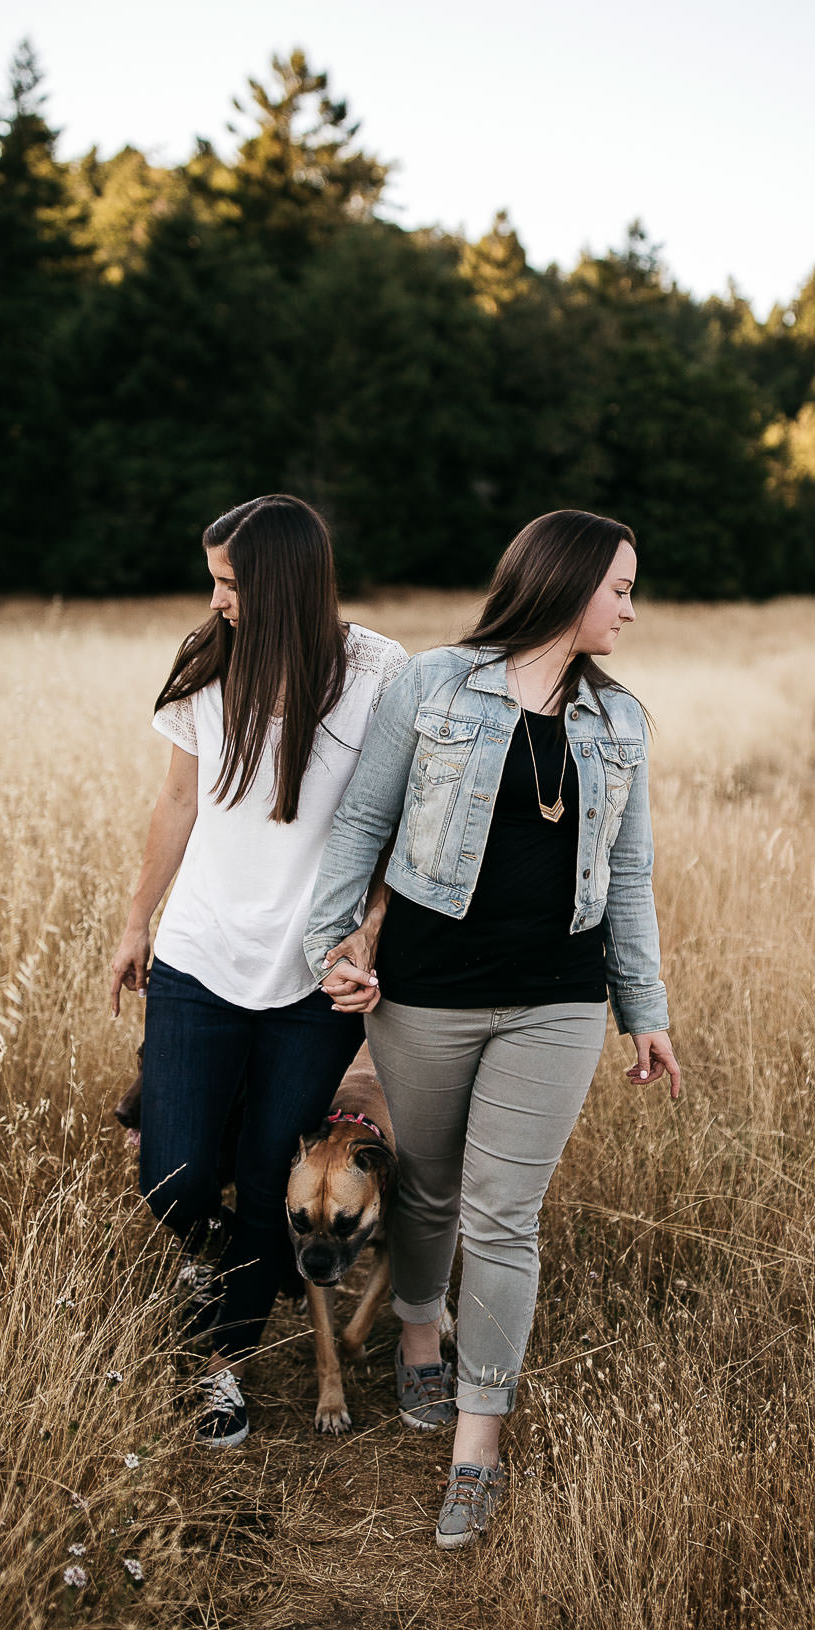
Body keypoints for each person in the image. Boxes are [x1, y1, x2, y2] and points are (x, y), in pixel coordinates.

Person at [304, 509, 681, 1548]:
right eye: (619, 589)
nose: (630, 609)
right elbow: (362, 825)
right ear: (564, 588)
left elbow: (633, 876)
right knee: (428, 1186)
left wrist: (641, 1011)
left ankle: (478, 1442)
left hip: (557, 996)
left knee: (507, 1214)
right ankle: (417, 1328)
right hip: (428, 993)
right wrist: (329, 952)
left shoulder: (622, 722)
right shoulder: (430, 686)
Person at [109, 494, 406, 1447]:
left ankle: (220, 1364)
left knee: (273, 1188)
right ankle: (215, 1263)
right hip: (200, 956)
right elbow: (177, 803)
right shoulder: (209, 665)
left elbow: (396, 827)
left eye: (231, 582)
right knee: (175, 1182)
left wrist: (365, 940)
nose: (216, 598)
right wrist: (135, 919)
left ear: (280, 583)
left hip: (313, 989)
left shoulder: (374, 672)